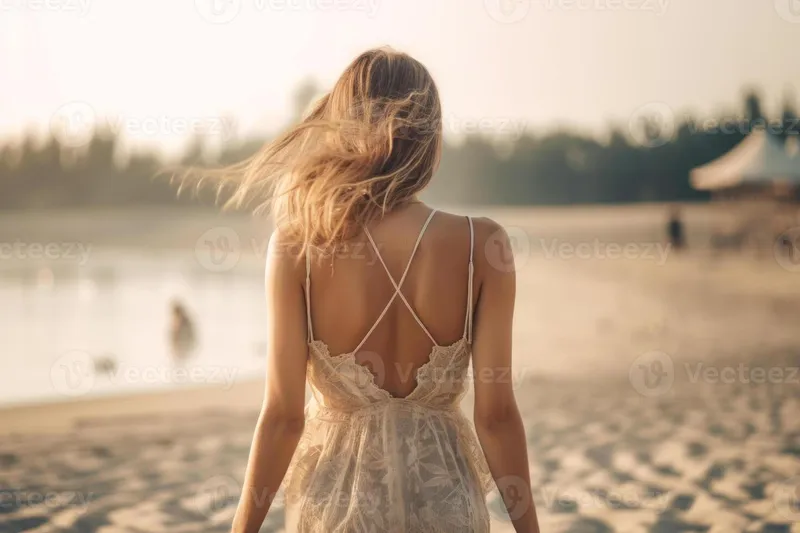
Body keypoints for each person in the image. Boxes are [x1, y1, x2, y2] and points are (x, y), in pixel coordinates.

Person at [194, 48, 538, 533]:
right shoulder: (483, 246)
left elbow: (283, 417)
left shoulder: (298, 247)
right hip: (444, 504)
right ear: (430, 139)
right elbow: (497, 417)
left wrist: (242, 529)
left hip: (339, 508)